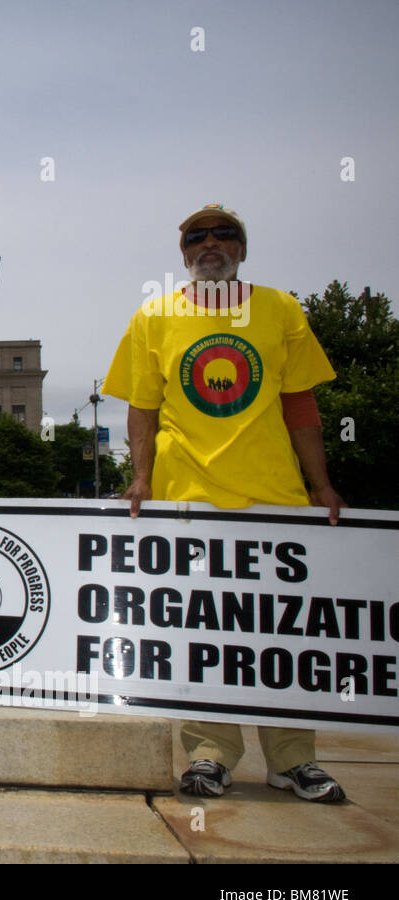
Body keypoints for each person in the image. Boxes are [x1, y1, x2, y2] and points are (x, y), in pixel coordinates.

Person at [103, 202, 347, 803]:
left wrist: (320, 485)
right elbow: (142, 407)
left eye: (224, 234)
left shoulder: (280, 309)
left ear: (242, 248)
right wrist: (141, 479)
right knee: (201, 631)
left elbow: (299, 403)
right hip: (188, 498)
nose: (209, 243)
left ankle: (293, 760)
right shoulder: (154, 315)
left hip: (274, 497)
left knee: (283, 633)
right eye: (197, 236)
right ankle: (209, 754)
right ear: (183, 252)